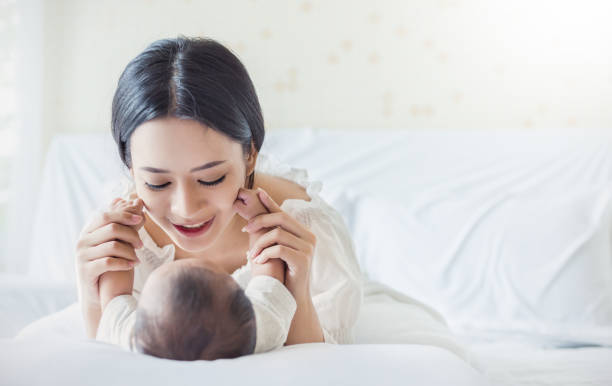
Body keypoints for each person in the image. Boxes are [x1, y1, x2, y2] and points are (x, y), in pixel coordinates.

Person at [75, 35, 363, 354]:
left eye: (211, 178)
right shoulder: (116, 239)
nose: (186, 209)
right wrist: (91, 291)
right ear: (130, 168)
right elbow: (102, 354)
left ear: (251, 154)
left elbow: (322, 365)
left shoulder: (309, 227)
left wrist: (296, 288)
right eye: (157, 183)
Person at [96, 188, 284, 360]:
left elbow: (114, 292)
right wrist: (259, 218)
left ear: (138, 321)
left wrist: (122, 226)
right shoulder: (262, 330)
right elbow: (268, 275)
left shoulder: (126, 335)